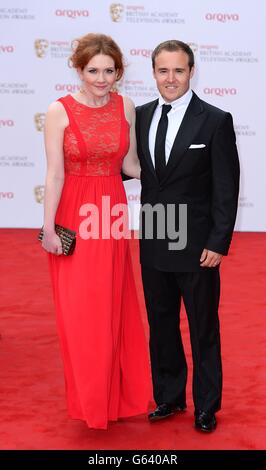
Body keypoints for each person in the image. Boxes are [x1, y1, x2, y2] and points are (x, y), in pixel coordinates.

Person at [41, 33, 151, 430]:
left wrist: (175, 183)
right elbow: (54, 174)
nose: (102, 79)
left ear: (118, 71)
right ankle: (91, 402)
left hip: (112, 209)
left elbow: (134, 165)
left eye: (109, 71)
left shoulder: (127, 106)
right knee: (83, 312)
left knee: (114, 304)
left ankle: (117, 399)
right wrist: (48, 227)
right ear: (79, 69)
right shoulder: (60, 110)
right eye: (93, 71)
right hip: (74, 211)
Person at [136, 40, 240, 432]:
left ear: (191, 71)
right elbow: (132, 169)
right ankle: (169, 397)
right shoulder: (140, 117)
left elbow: (226, 187)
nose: (171, 78)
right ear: (153, 73)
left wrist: (217, 242)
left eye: (178, 70)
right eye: (163, 70)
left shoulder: (214, 120)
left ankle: (206, 406)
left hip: (197, 247)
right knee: (161, 324)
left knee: (203, 328)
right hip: (154, 240)